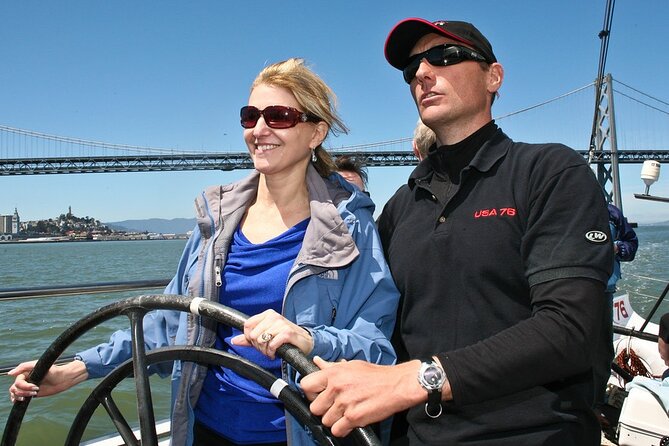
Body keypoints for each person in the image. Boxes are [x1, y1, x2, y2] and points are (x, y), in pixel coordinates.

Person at [9, 58, 400, 446]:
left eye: (279, 116)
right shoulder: (216, 220)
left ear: (316, 133)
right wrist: (78, 369)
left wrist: (308, 338)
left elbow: (376, 348)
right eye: (251, 116)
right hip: (206, 430)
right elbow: (166, 323)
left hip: (303, 433)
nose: (259, 130)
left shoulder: (350, 227)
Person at [301, 18, 613, 445]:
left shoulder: (550, 173)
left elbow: (570, 329)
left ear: (494, 76)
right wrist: (304, 336)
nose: (423, 74)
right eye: (412, 69)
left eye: (445, 57)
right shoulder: (399, 208)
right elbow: (373, 327)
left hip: (537, 434)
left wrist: (418, 379)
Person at [594, 203, 638, 412]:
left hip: (603, 291)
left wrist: (615, 247)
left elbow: (631, 244)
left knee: (602, 350)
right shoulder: (556, 205)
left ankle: (596, 403)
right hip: (564, 289)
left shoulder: (611, 213)